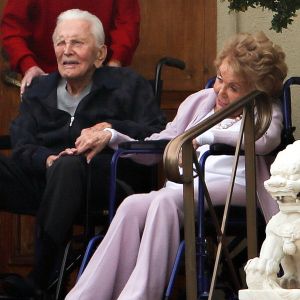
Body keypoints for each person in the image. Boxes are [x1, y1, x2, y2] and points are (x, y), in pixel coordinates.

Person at [65, 31, 288, 300]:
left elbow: (265, 140)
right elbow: (163, 143)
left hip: (237, 186)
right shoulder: (200, 102)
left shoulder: (265, 110)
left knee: (165, 201)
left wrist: (206, 136)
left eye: (235, 87)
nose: (221, 91)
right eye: (220, 79)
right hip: (188, 186)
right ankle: (86, 295)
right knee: (132, 205)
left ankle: (140, 294)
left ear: (256, 91)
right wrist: (114, 137)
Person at [0, 9, 165, 297]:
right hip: (45, 178)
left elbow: (158, 134)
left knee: (70, 166)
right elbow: (22, 143)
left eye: (77, 43)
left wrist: (111, 129)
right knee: (59, 166)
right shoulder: (40, 89)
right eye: (61, 43)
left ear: (100, 54)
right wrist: (46, 159)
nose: (67, 52)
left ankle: (41, 282)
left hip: (104, 182)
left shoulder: (127, 85)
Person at [0, 0, 140, 93]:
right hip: (45, 79)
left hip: (100, 77)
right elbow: (12, 28)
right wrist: (28, 65)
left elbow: (127, 23)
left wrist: (115, 62)